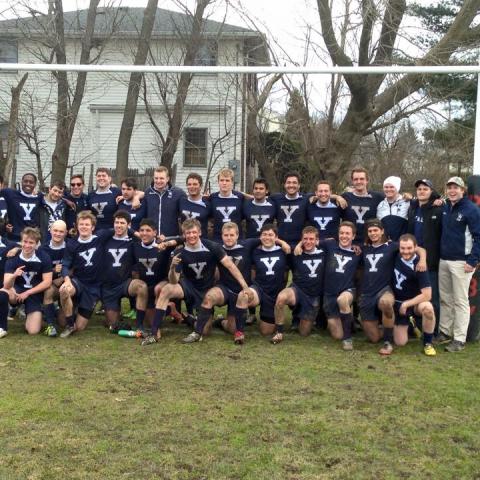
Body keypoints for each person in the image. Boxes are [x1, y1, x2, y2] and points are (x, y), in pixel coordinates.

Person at [143, 218, 250, 346]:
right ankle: (154, 332)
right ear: (184, 235)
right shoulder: (179, 252)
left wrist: (245, 286)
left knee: (205, 330)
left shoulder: (212, 247)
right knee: (166, 289)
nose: (191, 235)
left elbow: (230, 266)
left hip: (207, 289)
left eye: (194, 232)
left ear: (199, 232)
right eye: (188, 233)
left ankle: (190, 319)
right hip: (188, 287)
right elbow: (173, 281)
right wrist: (172, 267)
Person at [360, 219, 426, 355]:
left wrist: (423, 260)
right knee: (374, 338)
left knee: (386, 303)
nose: (373, 233)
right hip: (367, 293)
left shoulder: (392, 246)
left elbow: (419, 249)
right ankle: (390, 328)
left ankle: (388, 342)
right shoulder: (364, 248)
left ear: (382, 231)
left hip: (385, 289)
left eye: (376, 230)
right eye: (370, 231)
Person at [437, 176, 480, 352]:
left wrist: (473, 260)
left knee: (461, 301)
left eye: (456, 188)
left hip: (462, 262)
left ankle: (459, 339)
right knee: (445, 298)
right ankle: (445, 332)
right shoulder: (447, 206)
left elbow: (479, 237)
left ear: (463, 190)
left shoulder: (471, 210)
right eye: (450, 188)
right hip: (444, 260)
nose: (452, 191)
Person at [59, 211, 114, 337]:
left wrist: (137, 234)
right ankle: (69, 324)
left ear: (93, 227)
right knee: (64, 290)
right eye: (81, 224)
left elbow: (120, 228)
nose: (84, 227)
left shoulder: (100, 237)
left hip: (93, 287)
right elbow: (65, 265)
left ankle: (76, 307)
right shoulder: (72, 244)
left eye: (87, 224)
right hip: (78, 282)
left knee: (80, 327)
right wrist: (67, 280)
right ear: (77, 226)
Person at [272, 226, 325, 343]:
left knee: (303, 333)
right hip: (297, 289)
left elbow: (333, 242)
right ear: (301, 240)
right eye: (305, 239)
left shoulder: (324, 253)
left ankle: (300, 315)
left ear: (317, 240)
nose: (308, 241)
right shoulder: (295, 252)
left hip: (313, 296)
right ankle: (279, 332)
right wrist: (283, 242)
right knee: (281, 298)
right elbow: (274, 242)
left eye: (311, 239)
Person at [0, 227, 52, 337]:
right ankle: (2, 327)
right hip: (17, 291)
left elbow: (47, 282)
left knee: (33, 331)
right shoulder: (13, 257)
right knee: (3, 291)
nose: (27, 245)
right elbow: (6, 285)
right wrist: (14, 276)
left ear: (37, 244)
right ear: (21, 241)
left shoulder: (44, 257)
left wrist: (28, 293)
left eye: (31, 243)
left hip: (33, 293)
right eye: (25, 241)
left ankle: (39, 315)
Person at [100, 210, 148, 328]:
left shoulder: (134, 241)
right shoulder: (105, 238)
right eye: (116, 222)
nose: (119, 225)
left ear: (129, 225)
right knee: (113, 324)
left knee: (141, 286)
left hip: (125, 283)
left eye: (122, 223)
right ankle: (113, 314)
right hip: (109, 287)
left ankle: (139, 323)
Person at [240, 224, 289, 339]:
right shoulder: (254, 251)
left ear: (276, 237)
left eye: (270, 235)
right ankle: (238, 329)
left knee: (266, 331)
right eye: (264, 234)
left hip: (273, 293)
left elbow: (287, 272)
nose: (267, 237)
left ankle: (265, 315)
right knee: (244, 296)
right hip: (259, 289)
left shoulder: (284, 251)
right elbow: (252, 272)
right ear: (260, 236)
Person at [406, 178, 442, 329]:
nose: (421, 191)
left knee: (431, 297)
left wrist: (440, 199)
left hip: (430, 260)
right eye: (419, 189)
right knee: (415, 294)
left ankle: (433, 332)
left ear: (431, 192)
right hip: (412, 257)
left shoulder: (437, 209)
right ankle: (417, 327)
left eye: (425, 189)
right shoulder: (413, 208)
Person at [392, 234, 437, 356]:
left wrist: (407, 304)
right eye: (403, 248)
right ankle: (411, 325)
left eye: (409, 248)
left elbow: (427, 295)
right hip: (398, 302)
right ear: (399, 247)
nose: (406, 251)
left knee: (428, 308)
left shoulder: (420, 265)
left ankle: (428, 343)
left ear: (415, 247)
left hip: (415, 302)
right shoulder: (395, 253)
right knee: (400, 343)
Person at [321, 221, 362, 350]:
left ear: (353, 236)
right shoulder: (330, 244)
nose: (344, 236)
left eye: (348, 233)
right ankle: (349, 324)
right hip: (329, 293)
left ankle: (348, 339)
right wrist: (300, 245)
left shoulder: (359, 251)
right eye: (342, 233)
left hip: (347, 290)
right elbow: (310, 242)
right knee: (337, 335)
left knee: (342, 300)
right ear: (338, 234)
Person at [40, 219, 69, 337]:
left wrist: (63, 278)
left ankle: (53, 311)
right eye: (55, 230)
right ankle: (51, 325)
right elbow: (39, 272)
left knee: (63, 322)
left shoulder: (70, 246)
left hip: (66, 283)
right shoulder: (43, 249)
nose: (57, 234)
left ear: (66, 232)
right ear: (50, 231)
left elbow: (77, 268)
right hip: (50, 283)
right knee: (48, 290)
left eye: (61, 231)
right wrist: (52, 272)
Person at [342, 167, 384, 245]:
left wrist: (407, 196)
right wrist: (336, 197)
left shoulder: (377, 197)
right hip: (350, 243)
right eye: (356, 179)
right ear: (352, 181)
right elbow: (325, 197)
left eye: (362, 179)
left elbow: (394, 198)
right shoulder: (345, 197)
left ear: (367, 180)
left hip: (370, 243)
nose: (359, 182)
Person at [142, 166, 186, 236]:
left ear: (167, 179)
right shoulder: (148, 192)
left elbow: (185, 214)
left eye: (161, 178)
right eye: (156, 178)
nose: (158, 181)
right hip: (152, 238)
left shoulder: (178, 193)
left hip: (171, 238)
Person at [1, 173, 41, 241]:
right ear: (21, 182)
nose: (28, 184)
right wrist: (6, 224)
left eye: (31, 182)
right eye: (25, 181)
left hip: (32, 238)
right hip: (14, 237)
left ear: (35, 184)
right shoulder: (10, 194)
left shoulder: (39, 198)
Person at [209, 168, 244, 242]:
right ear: (218, 182)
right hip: (218, 240)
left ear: (232, 182)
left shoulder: (240, 197)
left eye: (227, 180)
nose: (224, 183)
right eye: (221, 180)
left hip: (237, 239)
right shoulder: (212, 198)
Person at [376, 176, 410, 241]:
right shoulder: (380, 205)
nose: (388, 189)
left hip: (403, 244)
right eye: (386, 187)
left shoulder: (407, 202)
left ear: (397, 188)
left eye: (392, 187)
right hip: (386, 244)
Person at [179, 173, 210, 238]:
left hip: (202, 242)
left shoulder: (208, 203)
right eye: (189, 184)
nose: (192, 187)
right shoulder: (181, 201)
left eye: (195, 184)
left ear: (201, 186)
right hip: (185, 241)